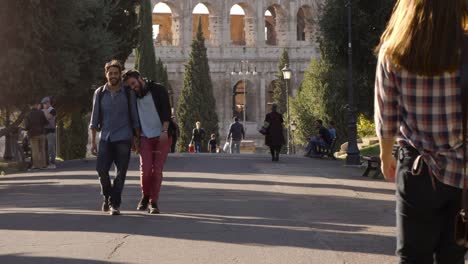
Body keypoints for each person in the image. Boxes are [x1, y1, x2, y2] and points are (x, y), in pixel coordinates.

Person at [374, 1, 468, 262]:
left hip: (417, 169)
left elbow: (387, 117)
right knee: (454, 255)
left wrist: (385, 157)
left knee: (414, 256)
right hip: (463, 171)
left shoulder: (394, 52)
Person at [89, 60, 140, 216]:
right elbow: (94, 118)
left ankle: (114, 204)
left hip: (124, 137)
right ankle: (107, 196)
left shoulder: (128, 93)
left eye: (116, 73)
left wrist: (136, 139)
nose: (113, 76)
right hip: (105, 137)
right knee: (101, 170)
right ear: (106, 75)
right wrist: (93, 141)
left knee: (121, 173)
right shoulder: (99, 93)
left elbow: (134, 117)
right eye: (110, 73)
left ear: (120, 75)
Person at [123, 69, 173, 214]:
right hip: (144, 136)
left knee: (156, 171)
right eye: (130, 86)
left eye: (133, 83)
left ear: (140, 78)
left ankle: (154, 202)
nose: (133, 87)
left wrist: (164, 131)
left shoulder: (158, 89)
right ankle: (145, 195)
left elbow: (166, 113)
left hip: (162, 136)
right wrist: (134, 138)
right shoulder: (133, 96)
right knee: (145, 170)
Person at [25, 103, 49, 170]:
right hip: (41, 133)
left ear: (30, 106)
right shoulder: (41, 112)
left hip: (33, 134)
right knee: (42, 149)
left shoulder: (28, 114)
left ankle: (36, 165)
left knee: (35, 150)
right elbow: (46, 122)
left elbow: (26, 126)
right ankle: (43, 164)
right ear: (36, 105)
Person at [41, 97, 57, 169]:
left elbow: (48, 117)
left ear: (48, 103)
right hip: (44, 131)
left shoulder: (52, 110)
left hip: (51, 130)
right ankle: (46, 161)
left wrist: (44, 110)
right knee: (45, 147)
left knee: (51, 147)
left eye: (45, 103)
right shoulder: (43, 110)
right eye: (43, 104)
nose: (44, 105)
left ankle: (52, 161)